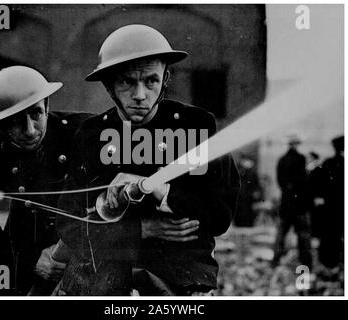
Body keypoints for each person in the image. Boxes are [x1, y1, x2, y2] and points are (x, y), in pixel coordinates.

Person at [56, 24, 240, 296]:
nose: (140, 95)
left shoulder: (195, 126)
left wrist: (163, 192)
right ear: (109, 86)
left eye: (151, 81)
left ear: (165, 79)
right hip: (105, 274)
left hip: (180, 277)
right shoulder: (92, 135)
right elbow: (69, 224)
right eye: (127, 82)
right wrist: (141, 230)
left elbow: (220, 216)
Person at [0, 66, 91, 295]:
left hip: (85, 245)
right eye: (15, 121)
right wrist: (29, 259)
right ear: (0, 124)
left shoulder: (82, 131)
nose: (30, 130)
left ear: (48, 107)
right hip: (22, 247)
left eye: (36, 113)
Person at [272, 134, 312, 269]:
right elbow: (304, 182)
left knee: (281, 234)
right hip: (299, 204)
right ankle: (306, 263)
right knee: (303, 235)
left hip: (286, 204)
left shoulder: (282, 160)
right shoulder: (301, 159)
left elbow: (280, 182)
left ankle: (275, 261)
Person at [316, 136, 344, 269]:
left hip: (329, 206)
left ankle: (328, 262)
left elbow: (318, 183)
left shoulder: (328, 163)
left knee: (328, 234)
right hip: (340, 205)